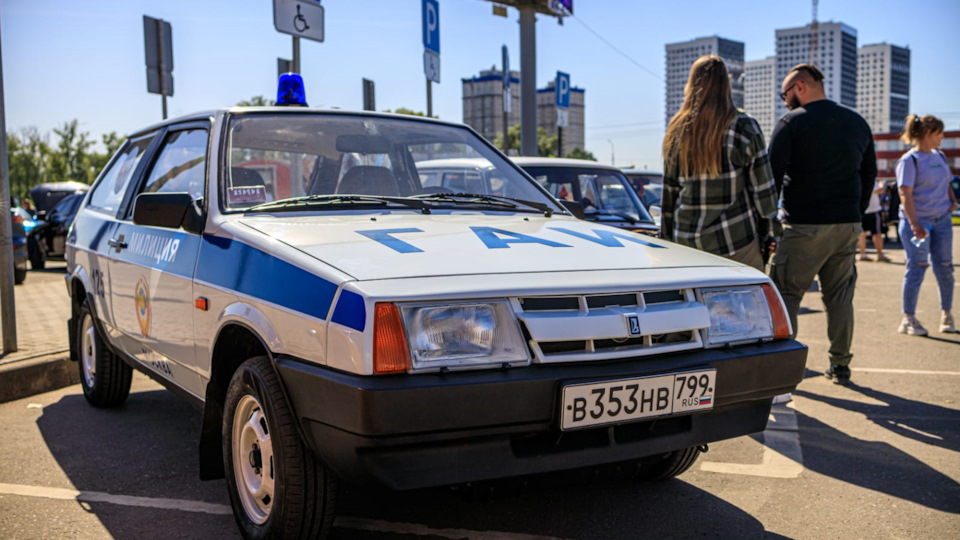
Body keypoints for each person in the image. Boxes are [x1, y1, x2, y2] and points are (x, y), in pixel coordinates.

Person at [767, 64, 876, 386]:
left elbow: (770, 178)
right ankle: (840, 365)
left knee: (786, 293)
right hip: (847, 225)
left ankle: (783, 371)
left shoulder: (791, 123)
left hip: (804, 225)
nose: (784, 101)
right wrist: (855, 212)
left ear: (799, 87)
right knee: (840, 297)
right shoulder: (857, 122)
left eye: (785, 94)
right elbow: (868, 173)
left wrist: (768, 225)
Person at [660, 55, 778, 272]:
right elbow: (764, 192)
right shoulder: (743, 125)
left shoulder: (677, 128)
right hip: (735, 241)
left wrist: (667, 240)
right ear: (727, 84)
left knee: (694, 306)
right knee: (746, 305)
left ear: (691, 84)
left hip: (686, 243)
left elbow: (669, 193)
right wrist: (772, 232)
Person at [895, 114, 958, 336]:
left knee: (945, 268)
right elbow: (905, 193)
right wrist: (914, 224)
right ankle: (908, 319)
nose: (943, 137)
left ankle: (947, 315)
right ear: (929, 133)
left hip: (942, 220)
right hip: (918, 223)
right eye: (940, 133)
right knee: (917, 268)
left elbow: (947, 183)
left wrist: (952, 201)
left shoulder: (939, 156)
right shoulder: (909, 161)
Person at [858, 179, 891, 262]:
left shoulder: (858, 179)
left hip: (862, 210)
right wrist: (882, 184)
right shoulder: (869, 179)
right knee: (877, 233)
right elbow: (879, 190)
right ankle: (879, 254)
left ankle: (863, 254)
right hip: (873, 210)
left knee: (862, 233)